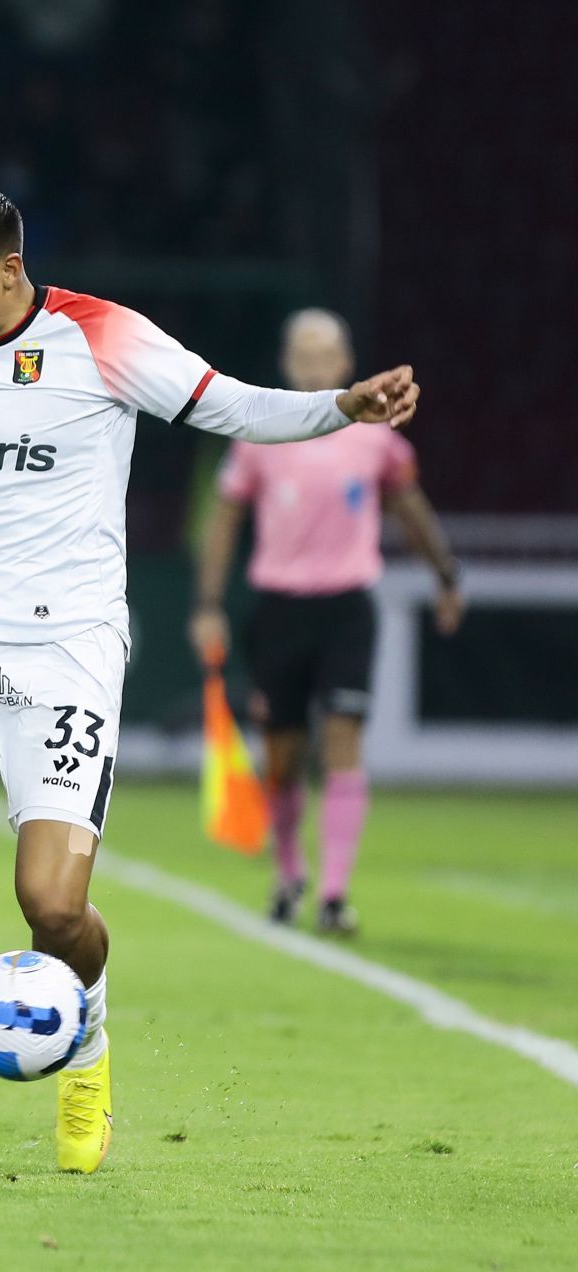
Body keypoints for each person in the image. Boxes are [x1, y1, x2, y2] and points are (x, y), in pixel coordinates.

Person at [0, 180, 420, 1175]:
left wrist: (340, 407)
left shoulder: (104, 338)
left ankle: (88, 1055)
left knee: (52, 905)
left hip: (66, 654)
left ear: (10, 269)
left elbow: (232, 405)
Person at [189, 309, 462, 936]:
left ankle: (335, 893)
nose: (314, 365)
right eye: (303, 355)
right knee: (282, 758)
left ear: (345, 362)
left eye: (326, 355)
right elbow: (225, 519)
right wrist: (207, 605)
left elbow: (410, 507)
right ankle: (289, 872)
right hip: (280, 610)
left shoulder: (376, 437)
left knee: (343, 741)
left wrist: (447, 575)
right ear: (288, 364)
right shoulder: (262, 432)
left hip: (345, 608)